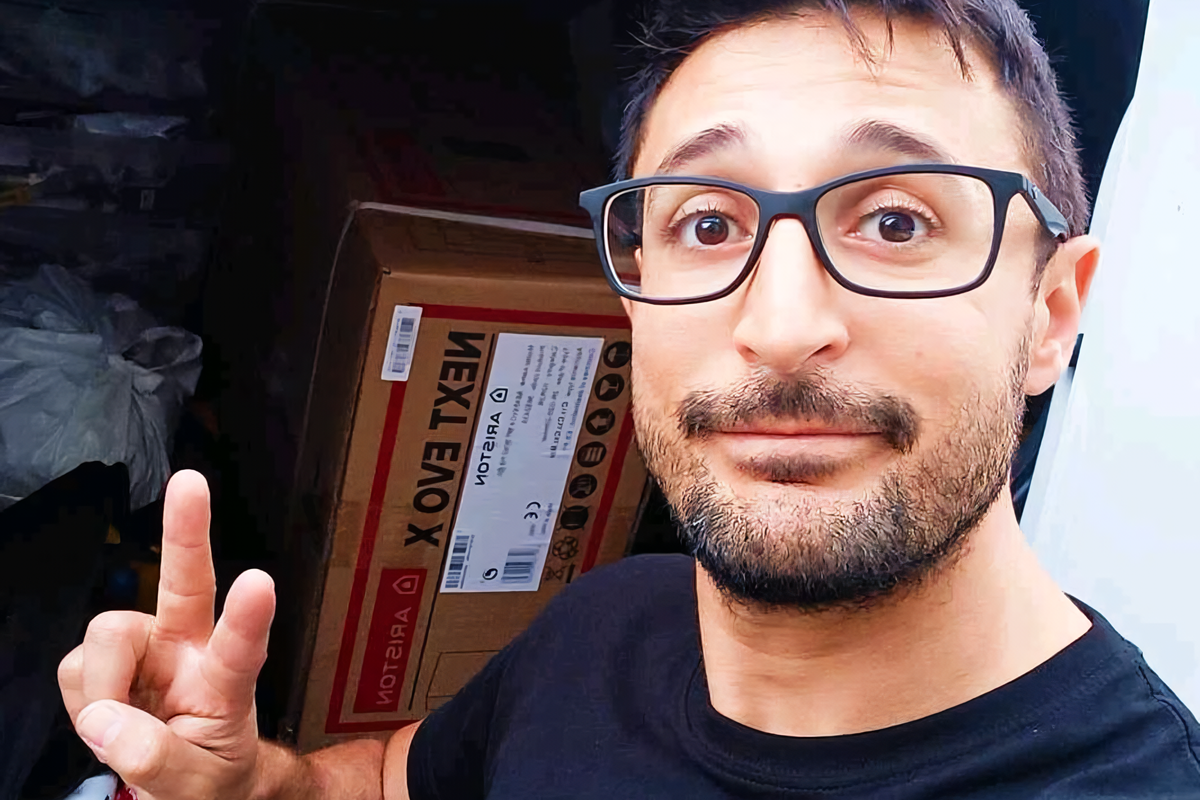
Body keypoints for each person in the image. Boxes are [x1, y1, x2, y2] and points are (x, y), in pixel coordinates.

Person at [58, 0, 1200, 797]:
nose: (779, 323)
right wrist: (252, 784)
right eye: (707, 223)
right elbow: (396, 778)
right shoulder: (616, 626)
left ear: (1052, 313)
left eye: (896, 221)